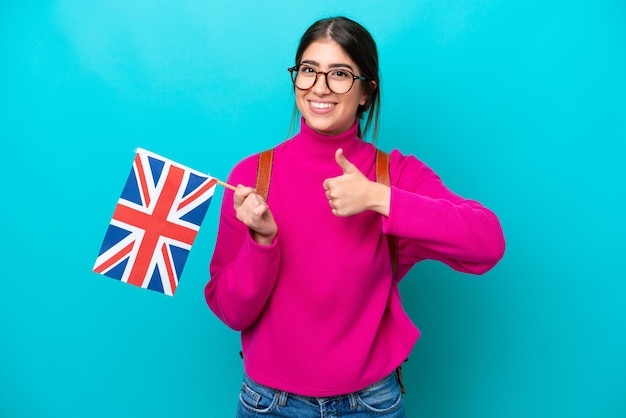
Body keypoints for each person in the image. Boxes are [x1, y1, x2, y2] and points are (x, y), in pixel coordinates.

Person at [205, 16, 505, 417]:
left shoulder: (393, 175)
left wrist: (381, 199)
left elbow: (487, 243)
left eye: (340, 74)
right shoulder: (252, 178)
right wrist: (261, 242)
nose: (320, 87)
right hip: (269, 404)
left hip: (370, 404)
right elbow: (230, 311)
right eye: (309, 70)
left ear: (366, 92)